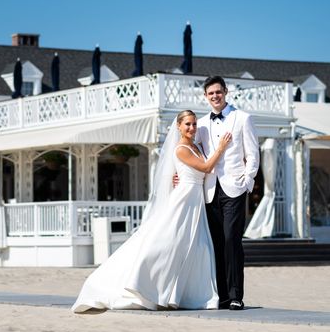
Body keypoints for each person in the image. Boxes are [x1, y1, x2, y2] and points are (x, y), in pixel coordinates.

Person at [72, 110, 231, 313]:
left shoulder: (197, 146)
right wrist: (221, 148)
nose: (191, 128)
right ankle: (143, 283)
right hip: (184, 200)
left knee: (196, 247)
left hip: (196, 200)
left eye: (193, 124)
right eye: (187, 125)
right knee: (166, 241)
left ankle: (183, 293)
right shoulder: (181, 149)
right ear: (178, 126)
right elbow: (207, 167)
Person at [198, 75, 260, 310]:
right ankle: (222, 296)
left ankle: (235, 295)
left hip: (235, 188)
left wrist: (247, 179)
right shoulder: (202, 124)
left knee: (231, 240)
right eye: (210, 93)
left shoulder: (243, 118)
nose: (215, 96)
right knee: (216, 243)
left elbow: (253, 153)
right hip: (210, 190)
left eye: (218, 92)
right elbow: (197, 154)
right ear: (206, 96)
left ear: (226, 92)